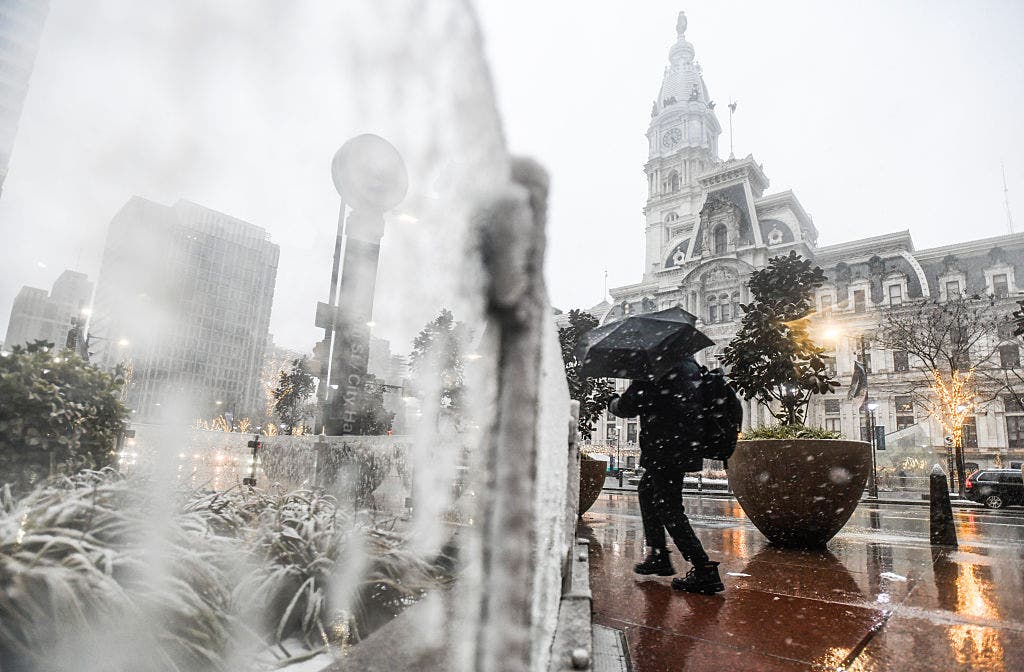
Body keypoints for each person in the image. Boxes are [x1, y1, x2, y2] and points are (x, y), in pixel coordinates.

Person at [608, 355, 724, 594]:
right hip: (684, 443)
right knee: (647, 492)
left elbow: (628, 406)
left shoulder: (655, 365)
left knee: (668, 506)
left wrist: (611, 402)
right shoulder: (689, 365)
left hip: (665, 446)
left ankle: (704, 569)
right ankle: (658, 554)